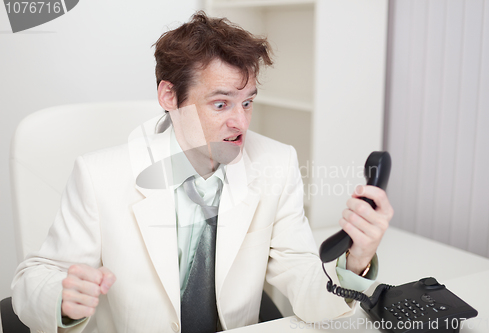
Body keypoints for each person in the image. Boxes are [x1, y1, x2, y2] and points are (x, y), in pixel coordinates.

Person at [11, 11, 393, 333]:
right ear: (169, 97)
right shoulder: (100, 176)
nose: (240, 122)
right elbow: (33, 279)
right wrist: (62, 297)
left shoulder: (276, 163)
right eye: (221, 103)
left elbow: (307, 286)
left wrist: (355, 261)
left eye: (247, 102)